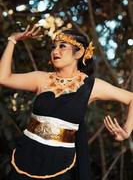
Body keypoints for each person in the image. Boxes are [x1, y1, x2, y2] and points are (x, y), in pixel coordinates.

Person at [0, 25, 133, 180]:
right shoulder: (41, 78)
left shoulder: (91, 86)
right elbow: (3, 78)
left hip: (60, 162)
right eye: (53, 47)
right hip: (28, 154)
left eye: (62, 46)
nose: (55, 51)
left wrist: (127, 130)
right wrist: (12, 40)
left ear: (79, 52)